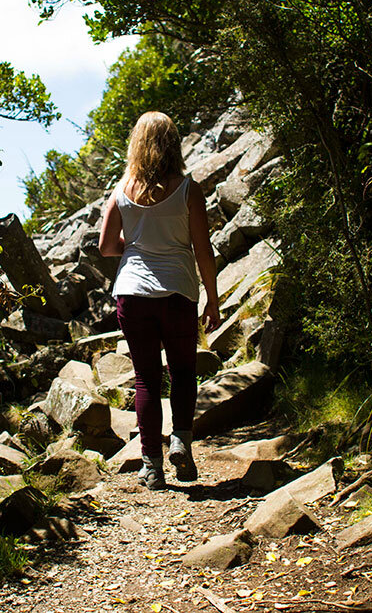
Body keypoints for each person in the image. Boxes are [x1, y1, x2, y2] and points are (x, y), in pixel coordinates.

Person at [98, 111, 221, 490]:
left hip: (132, 295)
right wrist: (213, 302)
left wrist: (135, 246)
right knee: (183, 372)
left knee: (146, 379)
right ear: (173, 143)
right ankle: (181, 441)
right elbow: (203, 250)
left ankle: (152, 466)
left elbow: (105, 247)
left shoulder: (121, 192)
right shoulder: (188, 189)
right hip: (178, 292)